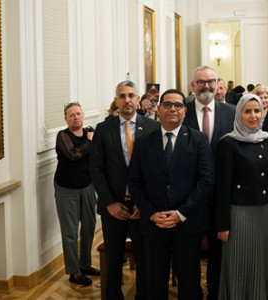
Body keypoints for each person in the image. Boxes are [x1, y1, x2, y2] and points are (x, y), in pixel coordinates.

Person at [128, 89, 214, 299]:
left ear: (185, 110)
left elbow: (206, 182)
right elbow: (135, 182)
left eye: (178, 105)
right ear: (158, 109)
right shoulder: (143, 141)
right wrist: (151, 213)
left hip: (188, 223)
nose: (172, 109)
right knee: (154, 283)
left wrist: (180, 213)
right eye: (167, 104)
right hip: (154, 224)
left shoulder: (198, 140)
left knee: (190, 283)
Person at [90, 80, 160, 299]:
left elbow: (156, 170)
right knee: (113, 258)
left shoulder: (152, 128)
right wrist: (110, 202)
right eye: (122, 96)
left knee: (144, 257)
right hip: (113, 207)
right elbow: (96, 169)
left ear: (139, 99)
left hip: (142, 206)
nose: (127, 100)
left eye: (131, 95)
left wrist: (144, 203)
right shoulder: (103, 129)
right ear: (116, 100)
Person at [214, 94, 268, 299]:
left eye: (257, 111)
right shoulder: (228, 142)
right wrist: (222, 224)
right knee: (240, 261)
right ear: (239, 114)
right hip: (239, 214)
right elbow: (222, 187)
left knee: (264, 261)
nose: (253, 116)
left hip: (266, 211)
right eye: (247, 111)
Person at [184, 65, 235, 299]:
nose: (206, 86)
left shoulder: (232, 112)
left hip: (222, 196)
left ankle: (215, 293)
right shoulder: (180, 111)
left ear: (217, 84)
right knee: (189, 252)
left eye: (211, 81)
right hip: (189, 196)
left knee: (218, 252)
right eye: (201, 82)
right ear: (193, 86)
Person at [53, 102, 99, 286]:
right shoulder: (63, 135)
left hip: (87, 186)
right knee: (70, 232)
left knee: (89, 227)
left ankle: (85, 264)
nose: (76, 117)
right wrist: (90, 141)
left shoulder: (89, 131)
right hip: (66, 188)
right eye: (71, 115)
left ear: (83, 115)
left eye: (78, 113)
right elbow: (73, 154)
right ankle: (73, 272)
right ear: (66, 119)